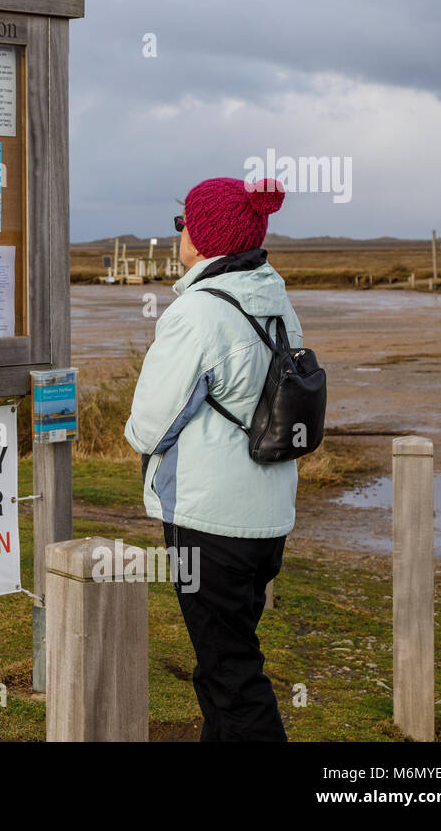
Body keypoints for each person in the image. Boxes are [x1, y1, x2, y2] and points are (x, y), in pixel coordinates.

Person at [124, 176, 299, 742]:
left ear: (199, 239)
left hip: (210, 522)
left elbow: (150, 424)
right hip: (267, 518)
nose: (178, 236)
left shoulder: (197, 314)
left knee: (231, 675)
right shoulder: (277, 302)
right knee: (222, 662)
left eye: (183, 225)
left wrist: (137, 436)